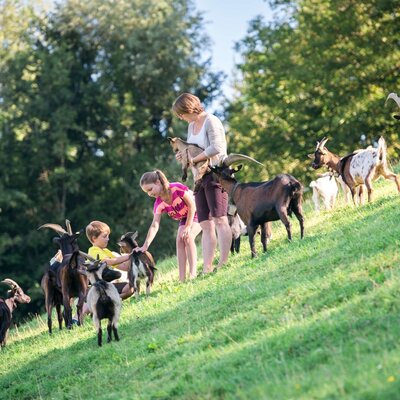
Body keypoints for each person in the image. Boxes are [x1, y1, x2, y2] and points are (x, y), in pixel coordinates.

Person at [172, 93, 232, 273]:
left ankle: (223, 262)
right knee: (205, 224)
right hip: (199, 177)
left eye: (181, 113)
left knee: (220, 219)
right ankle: (207, 267)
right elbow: (192, 149)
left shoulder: (211, 121)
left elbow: (217, 148)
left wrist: (194, 158)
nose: (180, 117)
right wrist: (183, 156)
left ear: (188, 108)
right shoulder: (191, 126)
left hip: (216, 173)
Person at [136, 170, 201, 281]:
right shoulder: (158, 203)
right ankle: (182, 278)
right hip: (184, 217)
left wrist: (188, 226)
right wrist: (145, 245)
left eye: (150, 189)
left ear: (158, 182)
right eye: (146, 192)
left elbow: (192, 206)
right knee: (179, 240)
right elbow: (154, 225)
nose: (149, 194)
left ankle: (192, 274)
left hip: (197, 210)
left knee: (188, 237)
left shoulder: (176, 188)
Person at [85, 220, 134, 300]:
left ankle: (110, 301)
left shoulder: (106, 251)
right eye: (104, 236)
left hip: (106, 286)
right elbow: (108, 261)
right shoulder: (93, 250)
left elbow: (125, 267)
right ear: (94, 238)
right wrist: (128, 256)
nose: (108, 239)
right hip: (96, 288)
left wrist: (131, 252)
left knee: (130, 288)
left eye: (108, 236)